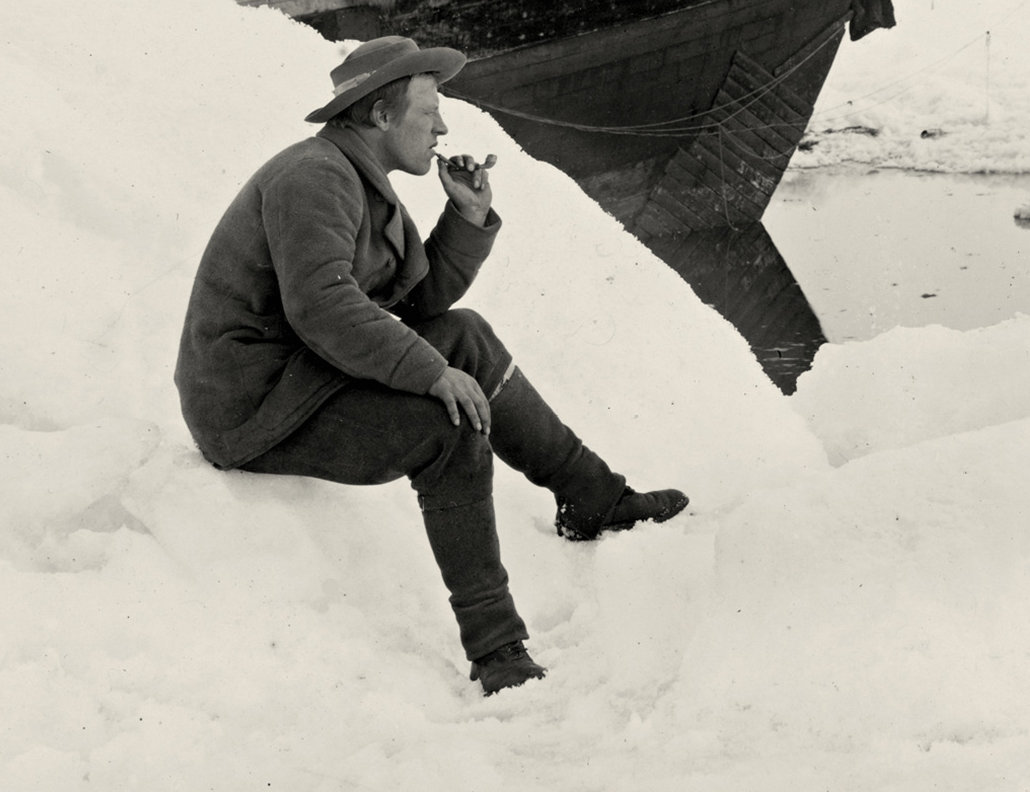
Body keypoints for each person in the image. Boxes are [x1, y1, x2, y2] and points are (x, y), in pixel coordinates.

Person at [175, 35, 687, 695]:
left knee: (464, 335)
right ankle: (497, 648)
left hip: (297, 373)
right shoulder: (316, 176)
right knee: (447, 426)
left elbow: (411, 305)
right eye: (429, 109)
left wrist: (466, 216)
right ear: (380, 115)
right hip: (253, 408)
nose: (442, 125)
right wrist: (429, 372)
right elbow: (323, 307)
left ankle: (592, 497)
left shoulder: (354, 175)